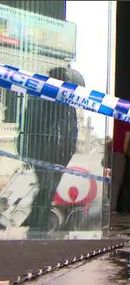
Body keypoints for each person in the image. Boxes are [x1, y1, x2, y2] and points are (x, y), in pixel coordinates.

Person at [19, 67, 80, 233]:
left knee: (47, 187)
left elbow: (28, 124)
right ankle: (37, 224)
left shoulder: (43, 96)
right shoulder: (53, 98)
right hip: (48, 151)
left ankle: (37, 222)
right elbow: (66, 127)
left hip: (47, 151)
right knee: (47, 186)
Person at [111, 119, 130, 213]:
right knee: (117, 182)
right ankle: (112, 207)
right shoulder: (127, 121)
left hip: (108, 153)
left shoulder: (113, 119)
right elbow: (127, 140)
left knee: (109, 182)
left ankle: (109, 205)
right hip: (119, 154)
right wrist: (124, 153)